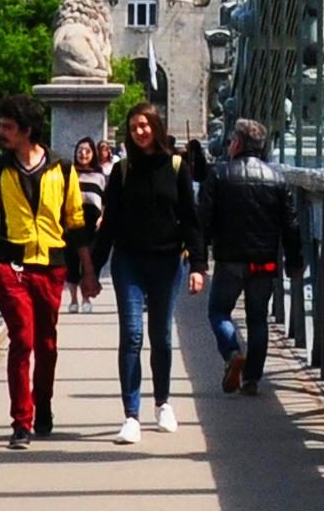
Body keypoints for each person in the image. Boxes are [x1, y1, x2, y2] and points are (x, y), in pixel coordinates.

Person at [0, 94, 94, 448]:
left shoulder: (61, 168)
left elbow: (75, 222)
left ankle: (43, 405)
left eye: (8, 127)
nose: (1, 133)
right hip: (12, 268)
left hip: (51, 268)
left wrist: (88, 270)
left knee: (46, 344)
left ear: (28, 131)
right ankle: (21, 421)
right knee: (22, 340)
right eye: (1, 126)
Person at [93, 103, 204, 446]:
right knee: (132, 335)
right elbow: (109, 224)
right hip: (129, 262)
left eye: (145, 125)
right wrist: (91, 271)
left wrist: (198, 266)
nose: (140, 131)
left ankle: (163, 403)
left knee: (161, 335)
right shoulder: (122, 171)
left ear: (156, 126)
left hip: (168, 262)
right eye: (134, 126)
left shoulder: (176, 167)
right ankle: (131, 415)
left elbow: (190, 220)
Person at [199, 117, 304, 397]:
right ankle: (252, 379)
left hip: (230, 259)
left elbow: (203, 220)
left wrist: (197, 258)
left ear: (236, 143)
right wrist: (294, 261)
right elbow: (291, 225)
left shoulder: (220, 175)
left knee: (219, 311)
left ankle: (232, 351)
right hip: (264, 260)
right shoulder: (277, 179)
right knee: (258, 317)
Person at [72, 137, 110, 301]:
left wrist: (102, 217)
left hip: (92, 222)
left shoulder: (99, 175)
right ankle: (73, 298)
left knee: (90, 259)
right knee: (72, 258)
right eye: (80, 150)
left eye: (87, 151)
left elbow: (104, 199)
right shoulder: (70, 173)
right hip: (73, 221)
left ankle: (85, 297)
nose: (83, 154)